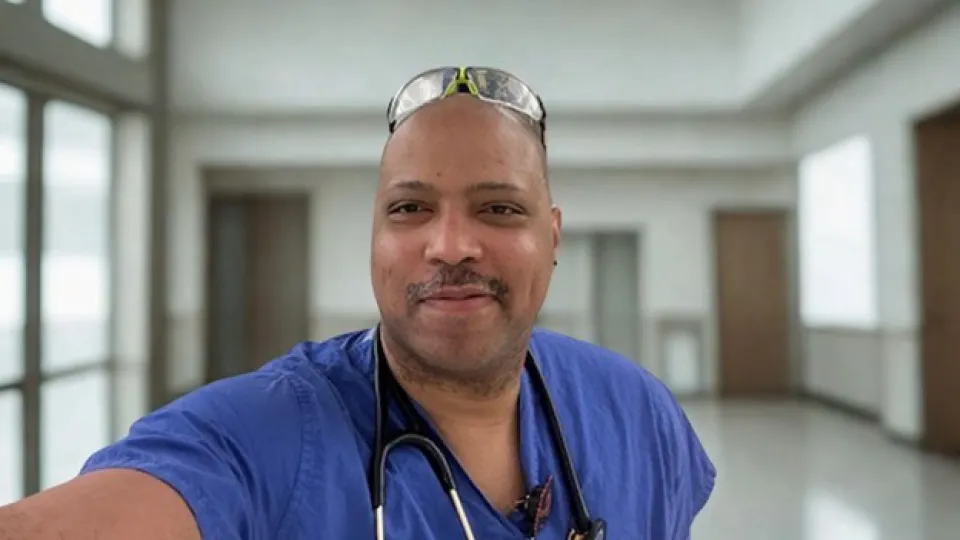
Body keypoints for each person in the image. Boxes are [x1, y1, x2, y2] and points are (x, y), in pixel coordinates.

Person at [0, 66, 716, 539]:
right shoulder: (271, 435)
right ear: (373, 239)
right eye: (409, 208)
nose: (450, 244)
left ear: (551, 236)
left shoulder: (637, 412)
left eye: (498, 209)